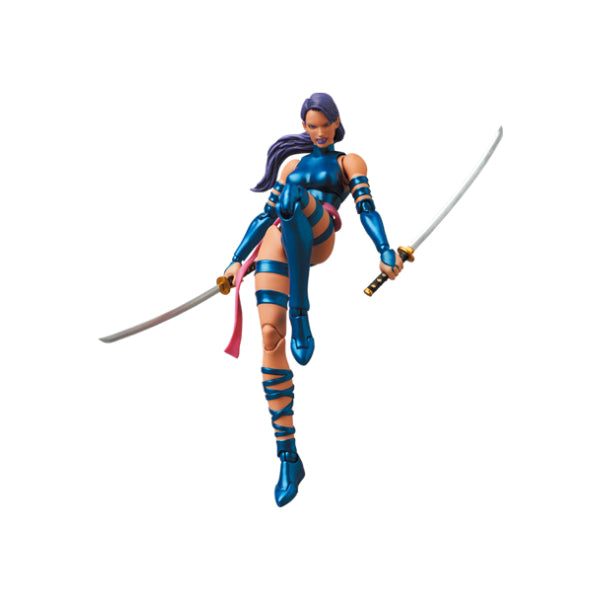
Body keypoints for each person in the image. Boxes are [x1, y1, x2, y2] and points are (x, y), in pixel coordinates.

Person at [224, 93, 403, 506]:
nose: (319, 133)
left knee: (292, 199)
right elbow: (264, 217)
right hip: (277, 242)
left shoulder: (348, 162)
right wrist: (236, 260)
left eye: (325, 125)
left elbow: (366, 209)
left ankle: (300, 310)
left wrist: (384, 249)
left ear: (337, 123)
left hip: (319, 232)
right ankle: (288, 457)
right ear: (304, 127)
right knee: (270, 337)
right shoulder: (292, 166)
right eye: (312, 126)